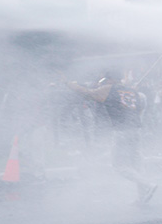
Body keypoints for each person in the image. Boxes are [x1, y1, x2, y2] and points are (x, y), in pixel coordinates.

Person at [67, 73, 157, 203]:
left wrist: (70, 84)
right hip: (136, 130)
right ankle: (142, 195)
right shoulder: (134, 92)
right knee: (136, 165)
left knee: (119, 166)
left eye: (105, 81)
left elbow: (88, 93)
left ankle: (147, 185)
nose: (103, 84)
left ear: (111, 79)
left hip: (122, 131)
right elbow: (141, 109)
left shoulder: (111, 89)